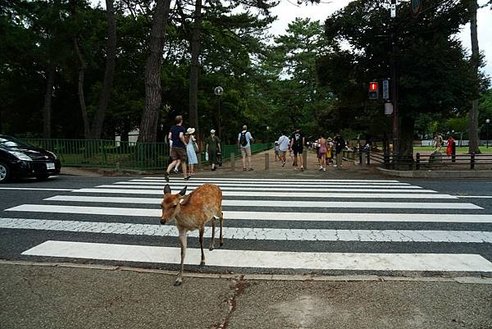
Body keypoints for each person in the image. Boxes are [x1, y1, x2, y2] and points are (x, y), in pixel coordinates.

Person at [165, 115, 188, 181]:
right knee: (183, 161)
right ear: (181, 121)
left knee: (174, 160)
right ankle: (185, 176)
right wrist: (184, 143)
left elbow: (169, 136)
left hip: (174, 146)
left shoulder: (172, 128)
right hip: (180, 146)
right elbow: (181, 136)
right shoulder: (181, 128)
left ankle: (167, 172)